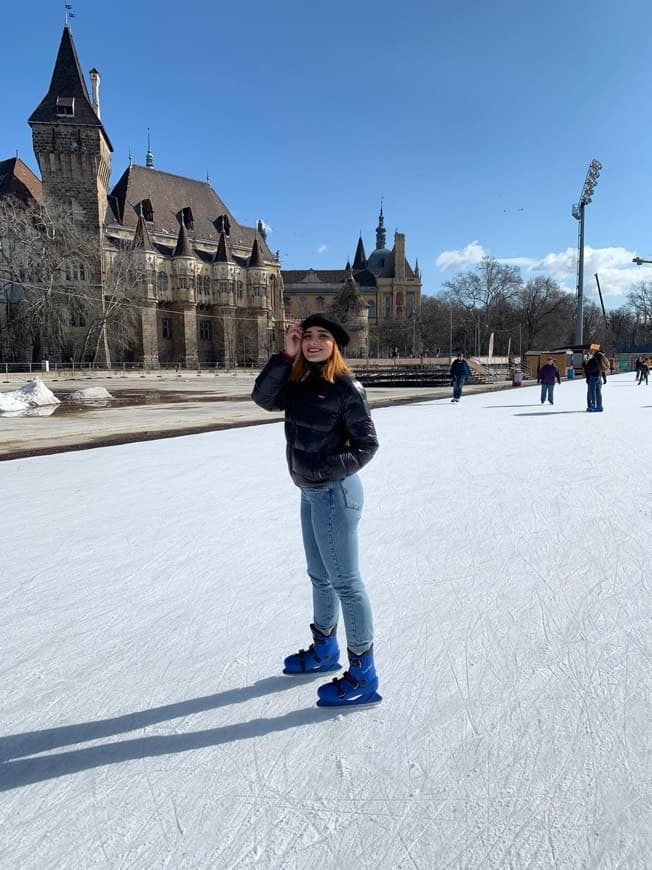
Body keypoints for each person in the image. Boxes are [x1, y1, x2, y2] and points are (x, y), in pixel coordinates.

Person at [252, 313, 381, 707]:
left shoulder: (345, 387)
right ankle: (325, 650)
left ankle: (363, 675)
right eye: (307, 336)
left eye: (322, 337)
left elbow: (367, 444)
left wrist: (324, 469)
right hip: (310, 493)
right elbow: (263, 399)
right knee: (319, 577)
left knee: (345, 582)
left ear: (335, 345)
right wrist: (283, 356)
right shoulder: (298, 381)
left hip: (335, 493)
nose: (312, 342)